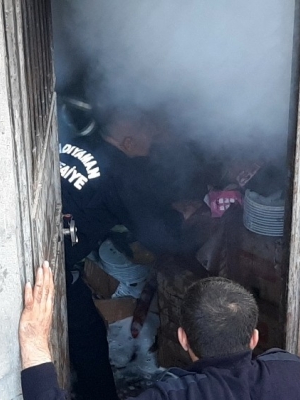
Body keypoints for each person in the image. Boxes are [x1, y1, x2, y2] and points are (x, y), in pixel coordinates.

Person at [19, 262, 300, 400]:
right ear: (254, 338)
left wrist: (34, 340)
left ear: (183, 339)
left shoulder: (171, 395)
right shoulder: (293, 372)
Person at [59, 109, 199, 400]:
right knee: (88, 338)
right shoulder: (120, 172)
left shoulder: (80, 142)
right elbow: (157, 236)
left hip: (44, 245)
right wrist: (184, 217)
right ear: (128, 142)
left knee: (84, 331)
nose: (153, 142)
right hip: (52, 263)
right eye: (148, 135)